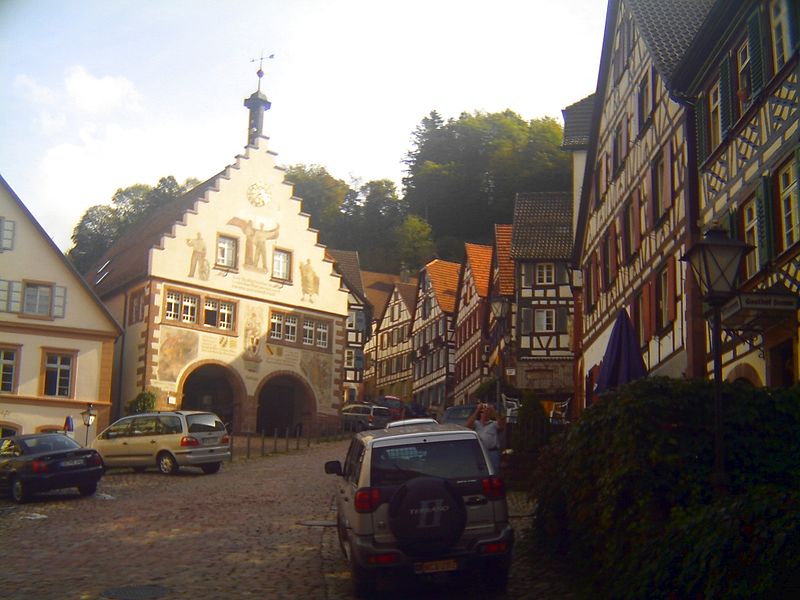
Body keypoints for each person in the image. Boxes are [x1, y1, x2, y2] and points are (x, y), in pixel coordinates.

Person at [466, 402, 505, 473]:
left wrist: (493, 410)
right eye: (483, 412)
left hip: (492, 452)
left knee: (493, 471)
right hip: (479, 452)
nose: (485, 414)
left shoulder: (493, 424)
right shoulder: (476, 423)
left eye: (487, 412)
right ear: (480, 414)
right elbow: (467, 426)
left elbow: (501, 425)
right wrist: (477, 410)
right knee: (480, 471)